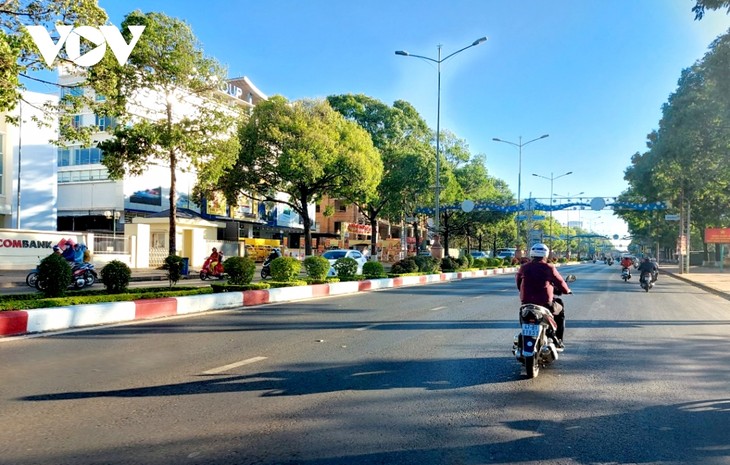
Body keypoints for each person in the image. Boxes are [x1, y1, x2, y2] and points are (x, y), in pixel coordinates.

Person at [516, 243, 572, 349]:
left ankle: (525, 334)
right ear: (545, 254)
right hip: (545, 304)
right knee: (560, 308)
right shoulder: (549, 268)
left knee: (523, 315)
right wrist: (567, 290)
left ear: (532, 254)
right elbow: (560, 283)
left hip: (526, 303)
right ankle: (558, 340)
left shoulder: (524, 267)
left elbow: (518, 283)